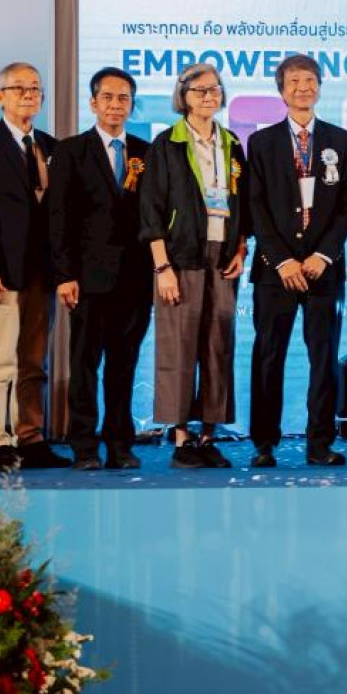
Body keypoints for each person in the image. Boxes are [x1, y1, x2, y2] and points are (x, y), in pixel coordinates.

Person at [0, 62, 70, 471]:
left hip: (43, 274)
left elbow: (59, 216)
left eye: (35, 88)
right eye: (19, 88)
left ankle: (30, 438)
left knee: (34, 363)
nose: (29, 95)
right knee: (0, 359)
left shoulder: (53, 147)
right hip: (0, 273)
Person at [245, 54, 347, 468]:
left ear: (319, 87)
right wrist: (281, 260)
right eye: (294, 81)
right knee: (268, 355)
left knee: (324, 358)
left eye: (310, 80)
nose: (303, 88)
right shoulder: (262, 142)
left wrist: (323, 254)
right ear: (281, 90)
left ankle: (320, 443)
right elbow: (255, 205)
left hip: (323, 269)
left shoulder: (340, 140)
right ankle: (264, 443)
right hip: (276, 271)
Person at [139, 63, 248, 469]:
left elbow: (243, 203)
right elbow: (150, 210)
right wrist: (161, 268)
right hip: (180, 258)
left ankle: (208, 436)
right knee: (179, 347)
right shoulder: (167, 144)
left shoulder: (232, 144)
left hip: (223, 259)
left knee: (219, 348)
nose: (208, 96)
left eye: (214, 89)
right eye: (199, 90)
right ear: (183, 96)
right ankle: (182, 438)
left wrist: (241, 249)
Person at [48, 67, 152, 471]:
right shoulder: (71, 151)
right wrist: (65, 275)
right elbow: (59, 218)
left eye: (123, 98)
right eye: (107, 97)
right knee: (84, 365)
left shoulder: (146, 151)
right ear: (93, 103)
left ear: (131, 105)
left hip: (135, 279)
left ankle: (120, 443)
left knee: (124, 365)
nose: (115, 105)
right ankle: (84, 446)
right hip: (87, 279)